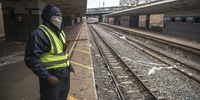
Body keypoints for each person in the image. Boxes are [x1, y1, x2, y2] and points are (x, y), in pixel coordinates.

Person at [24, 4, 74, 100]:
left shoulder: (60, 32)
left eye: (60, 17)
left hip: (65, 75)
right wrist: (46, 76)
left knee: (63, 97)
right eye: (56, 17)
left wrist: (68, 65)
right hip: (51, 77)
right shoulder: (38, 34)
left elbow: (61, 52)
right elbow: (31, 59)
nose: (59, 20)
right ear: (48, 18)